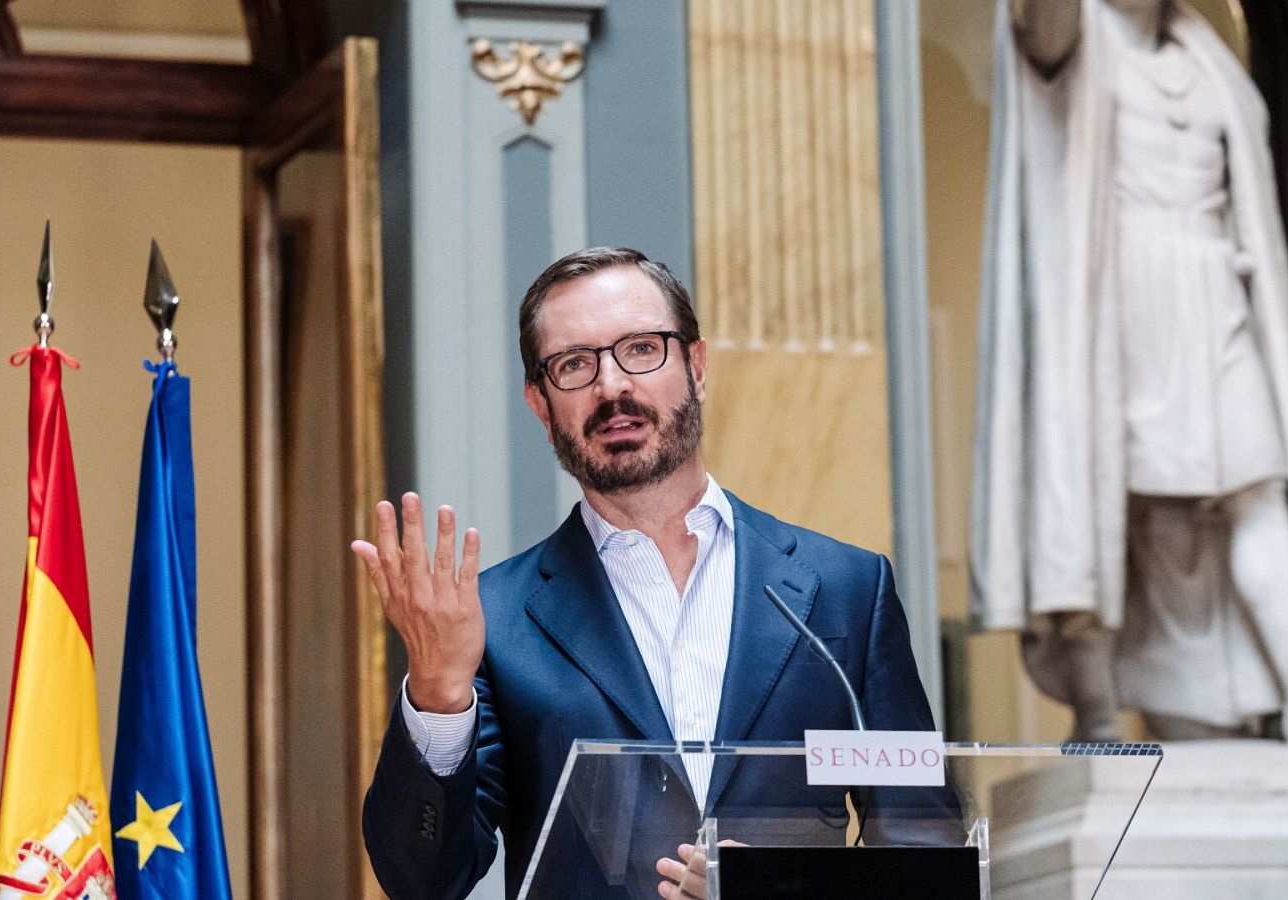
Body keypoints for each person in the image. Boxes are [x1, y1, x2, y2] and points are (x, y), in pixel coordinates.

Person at [356, 248, 947, 899]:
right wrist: (439, 691)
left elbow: (929, 852)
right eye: (574, 365)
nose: (612, 386)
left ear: (695, 366)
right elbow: (420, 883)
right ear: (540, 404)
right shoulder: (496, 619)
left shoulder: (845, 592)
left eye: (641, 349)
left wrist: (779, 887)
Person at [971, 0, 1288, 750]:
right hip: (1115, 308)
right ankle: (1098, 711)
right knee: (1110, 512)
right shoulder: (1068, 36)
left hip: (1215, 298)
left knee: (1258, 485)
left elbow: (1253, 223)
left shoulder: (1210, 61)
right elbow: (1039, 22)